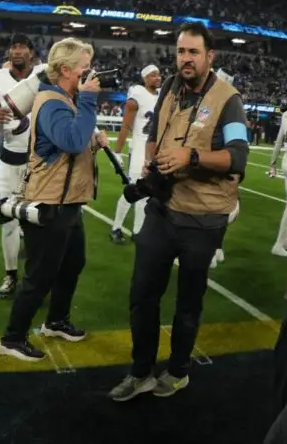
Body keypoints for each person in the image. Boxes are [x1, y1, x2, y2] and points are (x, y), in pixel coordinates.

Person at [108, 22, 249, 402]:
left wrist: (192, 156)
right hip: (162, 208)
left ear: (210, 57)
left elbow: (238, 156)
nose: (185, 59)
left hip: (202, 219)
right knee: (142, 295)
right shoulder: (169, 86)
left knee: (188, 302)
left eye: (193, 53)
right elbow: (153, 135)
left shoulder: (229, 99)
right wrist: (152, 164)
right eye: (181, 51)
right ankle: (140, 373)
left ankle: (179, 369)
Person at [0, 37, 104, 362]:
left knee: (72, 264)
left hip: (67, 201)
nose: (90, 73)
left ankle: (56, 321)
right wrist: (87, 102)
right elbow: (70, 141)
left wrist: (93, 142)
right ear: (67, 70)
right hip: (50, 203)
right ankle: (12, 338)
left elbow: (68, 148)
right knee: (40, 275)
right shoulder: (53, 101)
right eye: (85, 68)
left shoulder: (63, 98)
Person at [0, 34, 39, 300]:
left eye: (22, 47)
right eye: (13, 47)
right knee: (7, 220)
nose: (16, 52)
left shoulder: (42, 76)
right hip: (8, 159)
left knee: (37, 222)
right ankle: (10, 275)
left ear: (32, 53)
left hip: (38, 162)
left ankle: (35, 278)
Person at [110, 65, 162, 244]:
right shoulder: (137, 93)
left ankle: (138, 232)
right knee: (133, 191)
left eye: (159, 74)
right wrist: (117, 152)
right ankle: (116, 228)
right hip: (139, 148)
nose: (158, 77)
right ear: (145, 78)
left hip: (153, 150)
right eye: (153, 75)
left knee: (147, 193)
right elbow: (125, 126)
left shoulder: (161, 96)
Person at [270, 93, 287, 257]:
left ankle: (285, 239)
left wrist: (272, 161)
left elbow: (279, 139)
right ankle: (278, 244)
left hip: (286, 160)